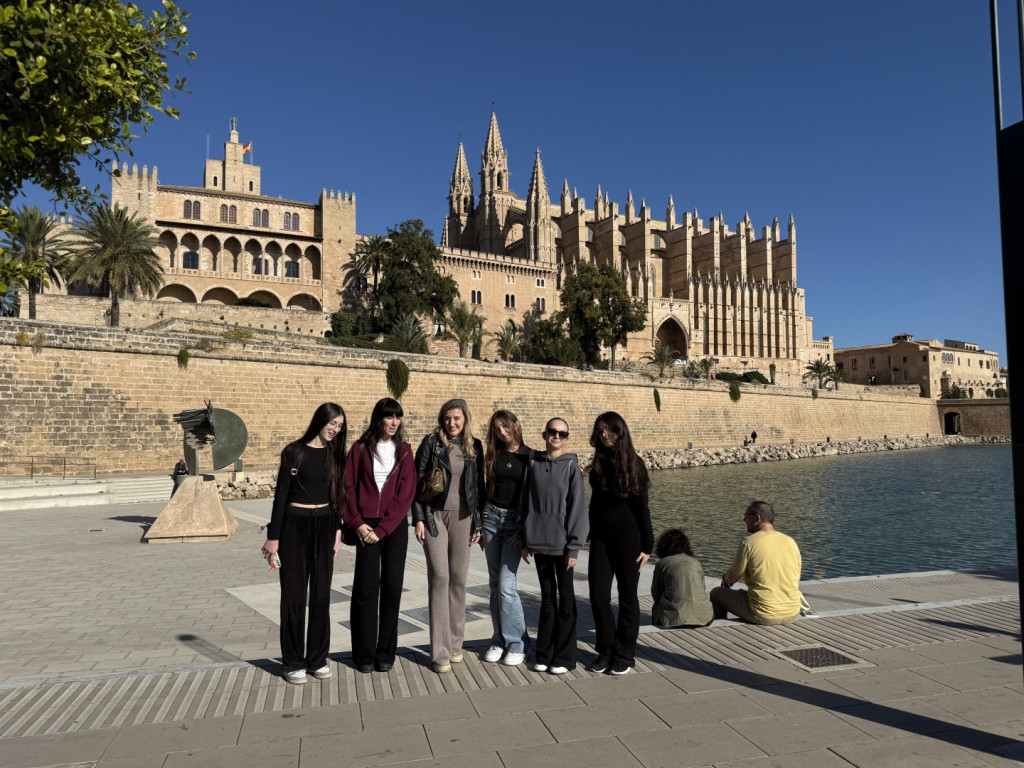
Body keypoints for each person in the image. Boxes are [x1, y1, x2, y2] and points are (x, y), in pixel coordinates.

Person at [262, 403, 347, 684]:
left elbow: (338, 497)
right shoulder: (294, 452)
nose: (335, 429)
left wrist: (337, 531)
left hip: (325, 524)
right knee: (294, 597)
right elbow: (280, 497)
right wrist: (273, 538)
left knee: (321, 596)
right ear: (320, 421)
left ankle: (317, 659)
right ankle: (293, 662)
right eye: (331, 423)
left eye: (339, 425)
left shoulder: (336, 456)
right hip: (294, 526)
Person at [344, 397, 417, 673]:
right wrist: (358, 523)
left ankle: (385, 652)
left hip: (393, 527)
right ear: (379, 419)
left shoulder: (406, 452)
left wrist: (383, 529)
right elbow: (348, 487)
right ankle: (363, 654)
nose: (394, 422)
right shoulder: (360, 449)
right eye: (389, 417)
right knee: (365, 590)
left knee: (392, 588)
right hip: (364, 526)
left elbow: (405, 494)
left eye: (398, 417)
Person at [412, 399, 484, 674]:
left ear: (465, 419)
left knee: (458, 579)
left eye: (456, 418)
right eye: (447, 418)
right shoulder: (432, 443)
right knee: (440, 576)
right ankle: (439, 651)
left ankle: (456, 644)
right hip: (434, 516)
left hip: (464, 518)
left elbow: (478, 486)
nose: (451, 423)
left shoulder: (473, 446)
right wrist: (418, 518)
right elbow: (418, 481)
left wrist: (478, 523)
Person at [518, 417, 588, 674]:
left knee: (566, 600)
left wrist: (574, 547)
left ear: (567, 438)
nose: (557, 436)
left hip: (562, 546)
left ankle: (565, 657)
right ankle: (544, 653)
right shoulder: (533, 463)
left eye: (562, 433)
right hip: (539, 543)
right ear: (545, 433)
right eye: (552, 432)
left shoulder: (571, 466)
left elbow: (578, 509)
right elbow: (525, 501)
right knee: (547, 600)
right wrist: (524, 540)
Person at [587, 411, 653, 676]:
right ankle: (606, 649)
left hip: (629, 539)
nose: (605, 435)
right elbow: (594, 504)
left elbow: (642, 508)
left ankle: (625, 653)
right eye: (601, 431)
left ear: (620, 432)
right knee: (598, 595)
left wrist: (648, 545)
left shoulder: (635, 464)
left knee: (627, 597)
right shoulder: (599, 463)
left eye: (610, 430)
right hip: (601, 538)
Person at [480, 410, 531, 666]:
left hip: (514, 526)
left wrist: (524, 533)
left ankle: (517, 643)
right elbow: (482, 489)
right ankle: (498, 639)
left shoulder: (531, 457)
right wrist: (478, 523)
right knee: (493, 584)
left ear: (516, 424)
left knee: (506, 586)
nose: (502, 432)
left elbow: (535, 500)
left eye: (505, 426)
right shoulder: (492, 453)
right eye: (497, 428)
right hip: (490, 519)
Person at [710, 501, 802, 625]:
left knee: (716, 594)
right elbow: (796, 577)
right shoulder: (791, 542)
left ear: (757, 518)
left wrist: (725, 580)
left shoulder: (749, 543)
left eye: (746, 515)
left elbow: (732, 578)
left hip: (764, 613)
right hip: (792, 612)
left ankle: (720, 630)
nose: (744, 520)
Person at [651, 529, 713, 629]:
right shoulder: (695, 562)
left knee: (656, 607)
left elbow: (656, 593)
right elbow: (702, 588)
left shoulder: (662, 563)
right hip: (703, 617)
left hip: (674, 619)